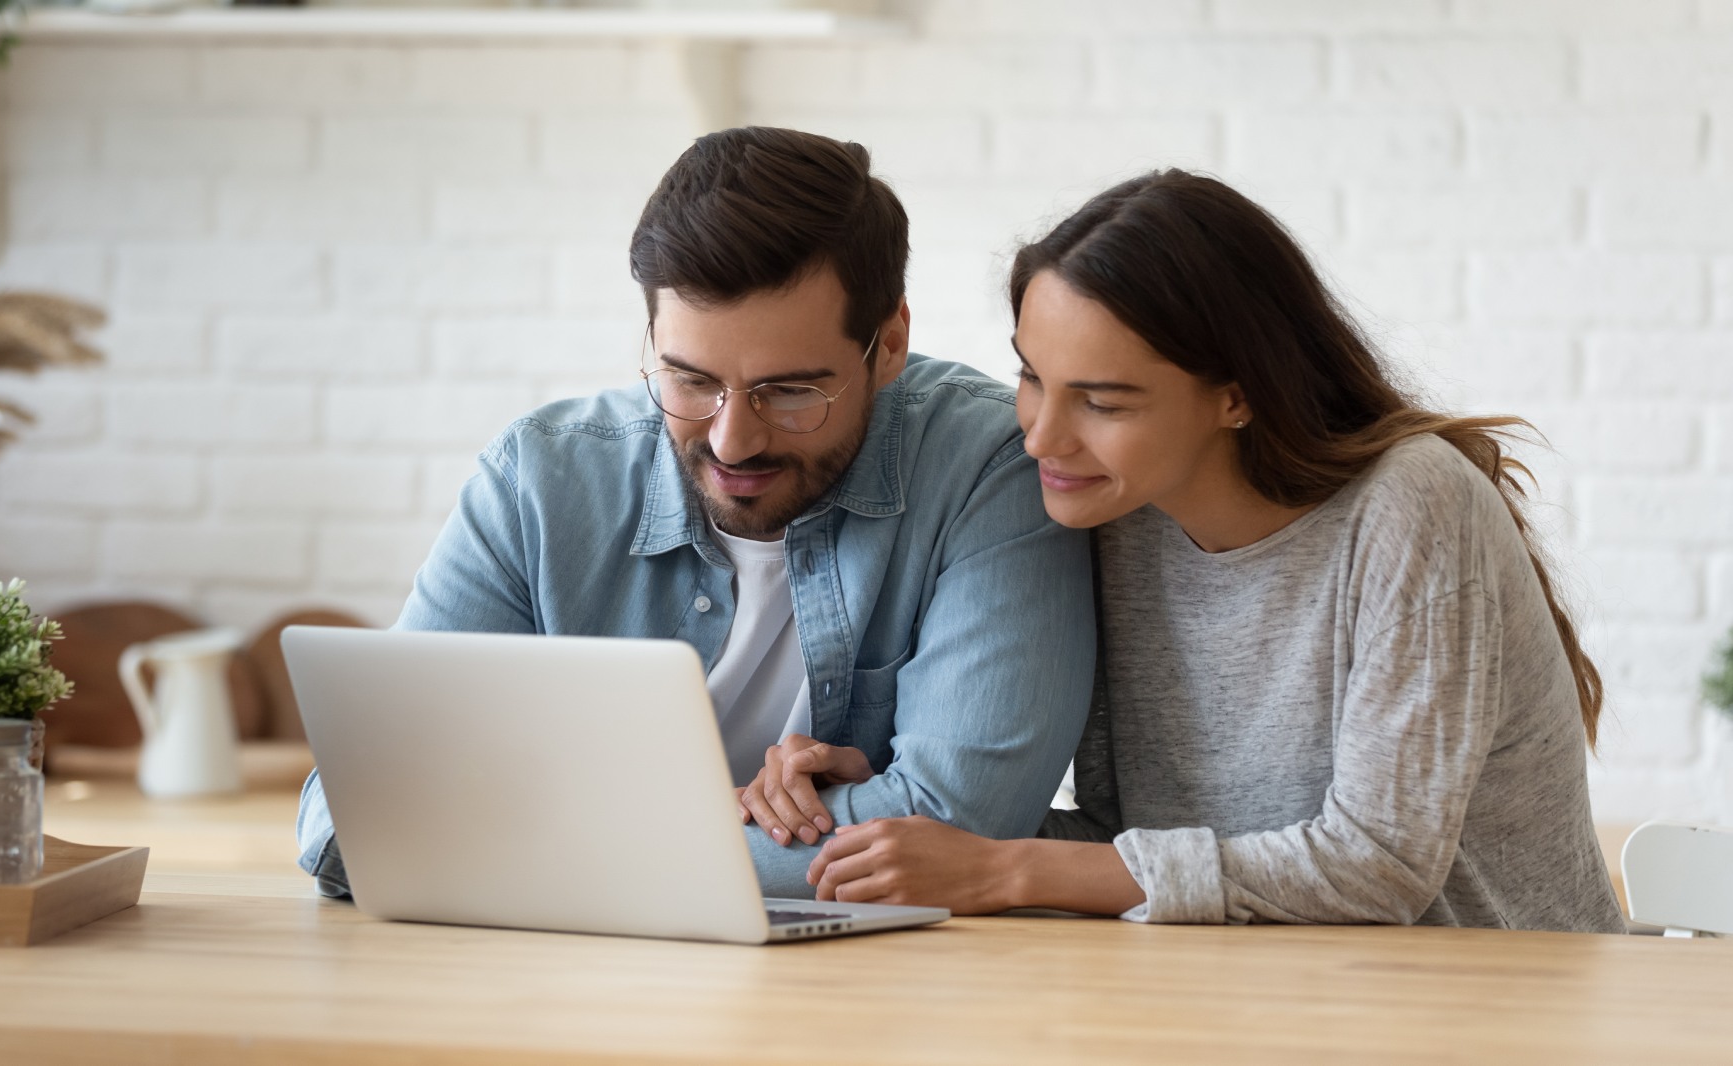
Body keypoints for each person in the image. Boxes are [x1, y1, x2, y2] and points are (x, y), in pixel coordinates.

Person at [803, 170, 1627, 932]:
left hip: (1496, 1003)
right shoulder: (1117, 517)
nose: (1041, 436)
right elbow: (1129, 844)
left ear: (1236, 396)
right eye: (1031, 379)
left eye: (1101, 401)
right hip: (1267, 1000)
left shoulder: (1411, 503)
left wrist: (1007, 869)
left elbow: (1379, 867)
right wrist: (893, 811)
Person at [296, 127, 1097, 900]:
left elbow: (960, 824)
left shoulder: (990, 465)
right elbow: (350, 819)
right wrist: (716, 823)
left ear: (888, 344)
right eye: (689, 380)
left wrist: (535, 842)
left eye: (790, 392)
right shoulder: (539, 480)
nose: (733, 439)